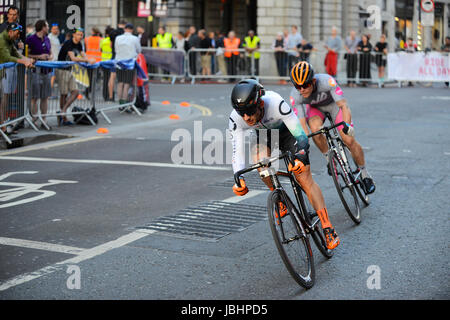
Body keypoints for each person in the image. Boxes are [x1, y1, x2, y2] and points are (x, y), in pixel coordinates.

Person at [229, 78, 340, 250]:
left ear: (260, 103)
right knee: (260, 163)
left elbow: (301, 137)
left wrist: (301, 157)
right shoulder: (237, 118)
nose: (246, 118)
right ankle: (278, 196)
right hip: (266, 138)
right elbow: (237, 151)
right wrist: (239, 178)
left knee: (304, 178)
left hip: (288, 135)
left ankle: (327, 227)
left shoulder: (275, 102)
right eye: (242, 113)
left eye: (250, 111)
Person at [289, 61, 376, 195]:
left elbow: (344, 106)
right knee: (315, 130)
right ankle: (329, 159)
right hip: (315, 110)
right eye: (297, 86)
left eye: (305, 85)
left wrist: (347, 126)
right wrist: (303, 145)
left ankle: (364, 174)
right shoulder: (296, 95)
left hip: (334, 106)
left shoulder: (327, 81)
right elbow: (302, 126)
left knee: (349, 140)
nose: (301, 89)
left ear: (312, 81)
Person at [56, 28, 96, 125]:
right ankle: (63, 118)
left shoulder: (78, 44)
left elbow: (83, 55)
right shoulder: (69, 43)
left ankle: (63, 111)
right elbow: (73, 58)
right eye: (78, 34)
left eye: (81, 34)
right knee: (64, 94)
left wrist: (89, 59)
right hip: (62, 69)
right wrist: (87, 61)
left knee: (75, 92)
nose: (80, 36)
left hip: (69, 70)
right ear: (74, 35)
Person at [0, 23, 34, 135]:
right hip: (2, 73)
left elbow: (16, 54)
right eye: (17, 32)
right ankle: (3, 126)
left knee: (2, 100)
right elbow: (7, 57)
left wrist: (29, 60)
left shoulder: (9, 40)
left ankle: (3, 127)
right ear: (10, 31)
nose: (18, 35)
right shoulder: (2, 40)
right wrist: (24, 61)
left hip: (2, 74)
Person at [25, 20, 53, 129]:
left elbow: (50, 53)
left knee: (45, 96)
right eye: (47, 26)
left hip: (46, 71)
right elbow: (27, 54)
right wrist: (39, 56)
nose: (48, 27)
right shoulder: (31, 39)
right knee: (34, 97)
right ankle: (34, 119)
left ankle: (44, 120)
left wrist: (50, 57)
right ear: (42, 27)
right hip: (34, 72)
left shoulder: (47, 39)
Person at [114, 23, 141, 107]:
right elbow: (139, 50)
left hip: (119, 63)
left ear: (125, 29)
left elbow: (115, 49)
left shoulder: (118, 38)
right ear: (132, 30)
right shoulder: (135, 38)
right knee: (126, 83)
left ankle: (119, 102)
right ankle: (124, 103)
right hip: (129, 64)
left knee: (120, 83)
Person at [100, 26, 114, 101]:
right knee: (110, 79)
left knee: (105, 79)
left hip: (103, 61)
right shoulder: (112, 41)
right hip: (110, 61)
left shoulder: (103, 40)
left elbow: (101, 49)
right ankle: (110, 95)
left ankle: (104, 95)